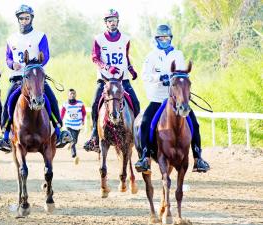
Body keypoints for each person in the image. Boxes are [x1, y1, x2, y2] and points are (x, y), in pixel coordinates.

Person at [0, 4, 72, 152]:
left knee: (52, 99)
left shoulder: (40, 36)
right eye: (21, 18)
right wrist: (12, 64)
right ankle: (4, 135)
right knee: (8, 100)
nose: (24, 21)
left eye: (27, 18)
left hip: (36, 78)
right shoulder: (11, 38)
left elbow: (45, 55)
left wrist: (38, 62)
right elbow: (8, 58)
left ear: (31, 19)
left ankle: (60, 132)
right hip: (17, 78)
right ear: (18, 20)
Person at [134, 24, 210, 173]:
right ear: (156, 39)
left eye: (166, 37)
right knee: (144, 122)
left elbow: (182, 74)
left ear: (170, 38)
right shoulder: (151, 56)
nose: (164, 40)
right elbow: (144, 75)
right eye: (161, 38)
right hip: (158, 98)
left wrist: (179, 83)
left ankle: (197, 158)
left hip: (176, 99)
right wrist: (159, 77)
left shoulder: (178, 54)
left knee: (194, 123)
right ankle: (145, 157)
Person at [84, 9, 140, 152]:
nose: (112, 23)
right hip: (105, 79)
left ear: (117, 21)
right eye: (109, 21)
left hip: (122, 79)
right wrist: (108, 67)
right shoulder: (99, 38)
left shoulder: (125, 39)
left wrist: (131, 68)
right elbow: (95, 58)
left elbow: (125, 56)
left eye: (114, 20)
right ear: (106, 23)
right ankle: (95, 135)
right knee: (95, 102)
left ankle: (137, 134)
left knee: (136, 102)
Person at [61, 89, 86, 159]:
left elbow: (84, 112)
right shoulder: (65, 104)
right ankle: (73, 153)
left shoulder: (80, 103)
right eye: (71, 94)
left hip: (78, 125)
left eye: (73, 94)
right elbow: (62, 114)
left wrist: (83, 120)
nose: (72, 95)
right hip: (69, 124)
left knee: (75, 140)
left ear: (75, 95)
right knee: (72, 139)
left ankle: (68, 141)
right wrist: (60, 121)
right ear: (68, 95)